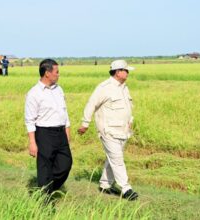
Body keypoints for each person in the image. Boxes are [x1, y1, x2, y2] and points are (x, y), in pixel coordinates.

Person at [78, 60, 138, 201]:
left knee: (112, 158)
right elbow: (91, 104)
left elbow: (127, 107)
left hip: (123, 130)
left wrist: (129, 122)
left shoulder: (124, 87)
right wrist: (85, 123)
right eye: (125, 70)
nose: (127, 73)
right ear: (118, 72)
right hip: (108, 130)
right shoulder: (104, 87)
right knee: (117, 159)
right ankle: (126, 188)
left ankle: (105, 184)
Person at [25, 59, 72, 194]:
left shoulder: (59, 89)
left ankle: (49, 187)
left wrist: (67, 131)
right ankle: (44, 200)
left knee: (65, 164)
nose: (58, 75)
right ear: (47, 73)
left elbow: (64, 112)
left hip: (61, 132)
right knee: (45, 167)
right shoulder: (34, 93)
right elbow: (29, 120)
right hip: (44, 133)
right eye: (56, 72)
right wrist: (32, 142)